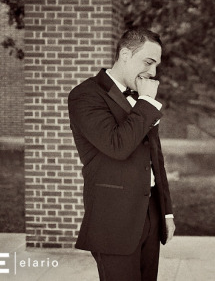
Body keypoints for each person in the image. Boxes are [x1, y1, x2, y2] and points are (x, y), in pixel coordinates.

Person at [68, 28, 175, 281]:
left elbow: (155, 157)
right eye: (148, 62)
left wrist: (166, 212)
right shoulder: (85, 95)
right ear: (125, 54)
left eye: (156, 65)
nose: (153, 73)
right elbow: (117, 145)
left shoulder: (142, 97)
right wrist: (147, 104)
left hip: (150, 214)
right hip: (113, 220)